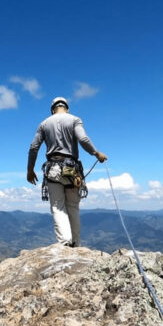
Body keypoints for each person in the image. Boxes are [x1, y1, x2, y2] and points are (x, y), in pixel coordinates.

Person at [27, 97, 107, 247]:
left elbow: (33, 147)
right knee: (73, 207)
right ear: (67, 108)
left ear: (52, 109)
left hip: (53, 169)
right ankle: (76, 244)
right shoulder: (74, 119)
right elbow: (83, 139)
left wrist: (30, 170)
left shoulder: (44, 124)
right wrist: (96, 153)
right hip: (72, 170)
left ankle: (64, 243)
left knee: (58, 206)